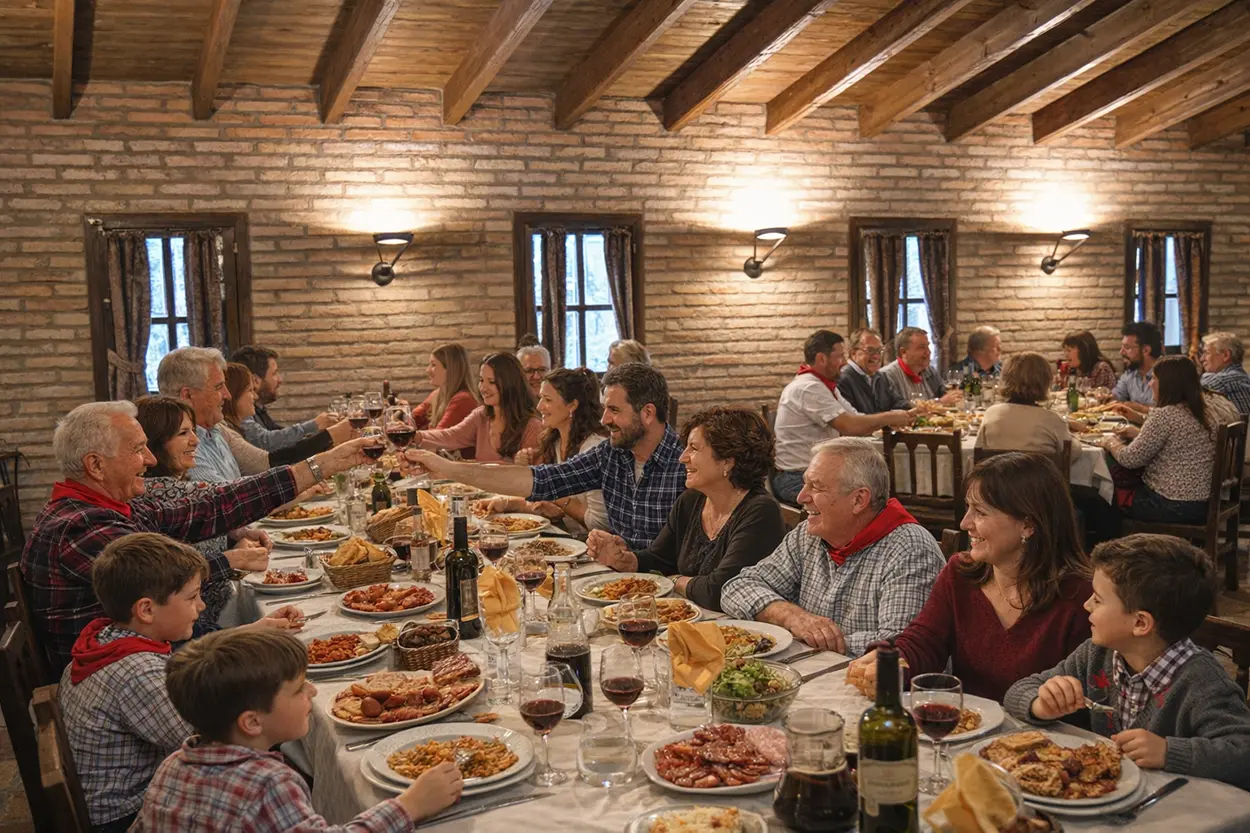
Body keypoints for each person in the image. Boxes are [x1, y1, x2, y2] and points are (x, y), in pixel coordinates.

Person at [20, 400, 373, 672]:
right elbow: (166, 590)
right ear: (95, 465)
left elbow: (213, 507)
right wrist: (245, 632)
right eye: (137, 450)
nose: (148, 459)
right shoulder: (82, 526)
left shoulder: (113, 505)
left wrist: (324, 464)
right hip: (136, 680)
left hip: (156, 655)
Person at [59, 533, 303, 833]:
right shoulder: (139, 675)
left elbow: (185, 662)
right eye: (192, 597)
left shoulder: (109, 639)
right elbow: (217, 743)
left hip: (118, 801)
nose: (200, 606)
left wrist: (251, 634)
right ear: (146, 610)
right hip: (128, 816)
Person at [134, 629, 463, 831]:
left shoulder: (174, 763)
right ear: (252, 722)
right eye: (298, 689)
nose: (313, 693)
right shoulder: (270, 785)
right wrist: (409, 805)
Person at [1003, 534, 1250, 790]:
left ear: (1140, 623)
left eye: (1097, 599)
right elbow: (1017, 692)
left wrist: (1168, 752)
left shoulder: (1202, 682)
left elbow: (1243, 753)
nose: (1086, 605)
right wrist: (1041, 704)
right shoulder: (1096, 655)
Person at [846, 453, 1091, 702]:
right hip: (970, 727)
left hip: (1050, 737)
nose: (964, 523)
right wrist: (891, 660)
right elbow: (926, 640)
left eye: (981, 513)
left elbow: (1085, 696)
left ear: (1028, 524)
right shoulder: (961, 573)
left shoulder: (1081, 597)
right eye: (968, 508)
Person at [404, 363, 685, 550]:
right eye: (603, 408)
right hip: (618, 582)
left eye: (614, 410)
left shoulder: (687, 464)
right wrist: (447, 468)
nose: (604, 418)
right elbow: (540, 481)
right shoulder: (612, 454)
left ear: (647, 413)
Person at [720, 438, 944, 657]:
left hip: (883, 688)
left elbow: (900, 644)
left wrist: (810, 637)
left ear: (858, 500)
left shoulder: (910, 549)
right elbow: (737, 587)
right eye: (804, 482)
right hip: (817, 672)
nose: (801, 497)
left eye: (816, 486)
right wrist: (792, 617)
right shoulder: (809, 535)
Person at [588, 407, 786, 613]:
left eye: (694, 448)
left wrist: (674, 580)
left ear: (727, 460)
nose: (683, 457)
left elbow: (720, 590)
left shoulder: (761, 512)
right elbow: (659, 558)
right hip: (690, 621)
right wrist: (625, 560)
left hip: (738, 634)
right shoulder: (692, 500)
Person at [136, 396, 268, 627]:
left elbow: (192, 535)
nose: (195, 441)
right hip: (197, 625)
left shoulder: (168, 487)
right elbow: (175, 574)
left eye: (193, 431)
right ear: (157, 442)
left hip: (215, 610)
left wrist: (234, 534)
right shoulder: (161, 492)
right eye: (183, 433)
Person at [772, 330, 913, 504]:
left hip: (812, 473)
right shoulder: (808, 387)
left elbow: (855, 417)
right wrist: (891, 417)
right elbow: (850, 426)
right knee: (865, 500)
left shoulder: (823, 385)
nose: (845, 362)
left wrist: (895, 418)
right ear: (822, 358)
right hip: (796, 478)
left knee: (875, 493)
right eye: (840, 356)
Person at [1100, 355, 1240, 526]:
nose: (1150, 384)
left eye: (1154, 379)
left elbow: (1130, 459)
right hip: (1204, 503)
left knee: (1105, 497)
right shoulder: (1205, 410)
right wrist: (1138, 433)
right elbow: (1179, 441)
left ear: (1168, 384)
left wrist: (1110, 442)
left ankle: (1125, 549)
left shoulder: (1165, 415)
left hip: (1172, 505)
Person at [484, 368, 609, 534]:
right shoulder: (556, 441)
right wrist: (507, 503)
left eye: (547, 399)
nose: (539, 406)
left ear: (572, 405)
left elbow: (599, 524)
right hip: (567, 538)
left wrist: (555, 494)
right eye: (540, 398)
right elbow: (550, 507)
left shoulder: (592, 449)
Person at [220, 363, 351, 475]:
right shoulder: (226, 433)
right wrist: (328, 436)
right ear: (233, 395)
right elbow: (270, 459)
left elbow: (281, 447)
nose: (254, 396)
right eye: (250, 390)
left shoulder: (236, 426)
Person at [416, 352, 541, 463]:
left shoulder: (532, 426)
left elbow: (528, 476)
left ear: (510, 384)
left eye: (491, 382)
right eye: (481, 380)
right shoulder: (481, 415)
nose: (483, 388)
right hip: (481, 488)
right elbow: (449, 436)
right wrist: (414, 436)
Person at [976, 352, 1080, 465]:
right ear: (1045, 382)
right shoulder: (1051, 419)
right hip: (1040, 482)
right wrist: (1074, 434)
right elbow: (1073, 454)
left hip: (997, 481)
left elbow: (978, 452)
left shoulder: (991, 413)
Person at [230, 345, 335, 452]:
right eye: (274, 373)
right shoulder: (240, 409)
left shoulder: (258, 408)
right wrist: (315, 425)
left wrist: (323, 437)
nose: (280, 379)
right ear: (256, 380)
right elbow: (265, 442)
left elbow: (279, 436)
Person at [157, 347, 239, 483]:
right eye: (218, 387)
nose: (228, 395)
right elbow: (224, 497)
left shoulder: (214, 430)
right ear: (187, 395)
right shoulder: (181, 446)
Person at [837, 328, 910, 414]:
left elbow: (896, 403)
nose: (876, 356)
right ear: (853, 353)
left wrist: (915, 407)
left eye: (880, 351)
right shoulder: (842, 379)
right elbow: (853, 420)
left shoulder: (881, 376)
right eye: (870, 350)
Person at [411, 343, 478, 431]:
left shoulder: (463, 399)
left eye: (433, 365)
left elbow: (438, 437)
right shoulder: (436, 395)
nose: (428, 370)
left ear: (450, 369)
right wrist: (400, 411)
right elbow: (412, 419)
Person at [879, 327, 949, 403]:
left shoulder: (930, 371)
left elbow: (944, 392)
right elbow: (896, 408)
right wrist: (939, 402)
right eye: (922, 347)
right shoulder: (886, 376)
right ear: (903, 352)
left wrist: (953, 394)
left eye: (927, 346)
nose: (928, 352)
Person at [1111, 321, 1163, 408]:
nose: (1121, 352)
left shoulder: (1168, 375)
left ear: (1145, 350)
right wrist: (1103, 396)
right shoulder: (1131, 373)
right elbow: (1117, 395)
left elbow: (1170, 414)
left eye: (1127, 348)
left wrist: (1138, 408)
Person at [1200, 331, 1250, 418]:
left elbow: (1189, 392)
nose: (1202, 359)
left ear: (1226, 355)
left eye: (1207, 353)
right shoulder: (1244, 377)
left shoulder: (1221, 380)